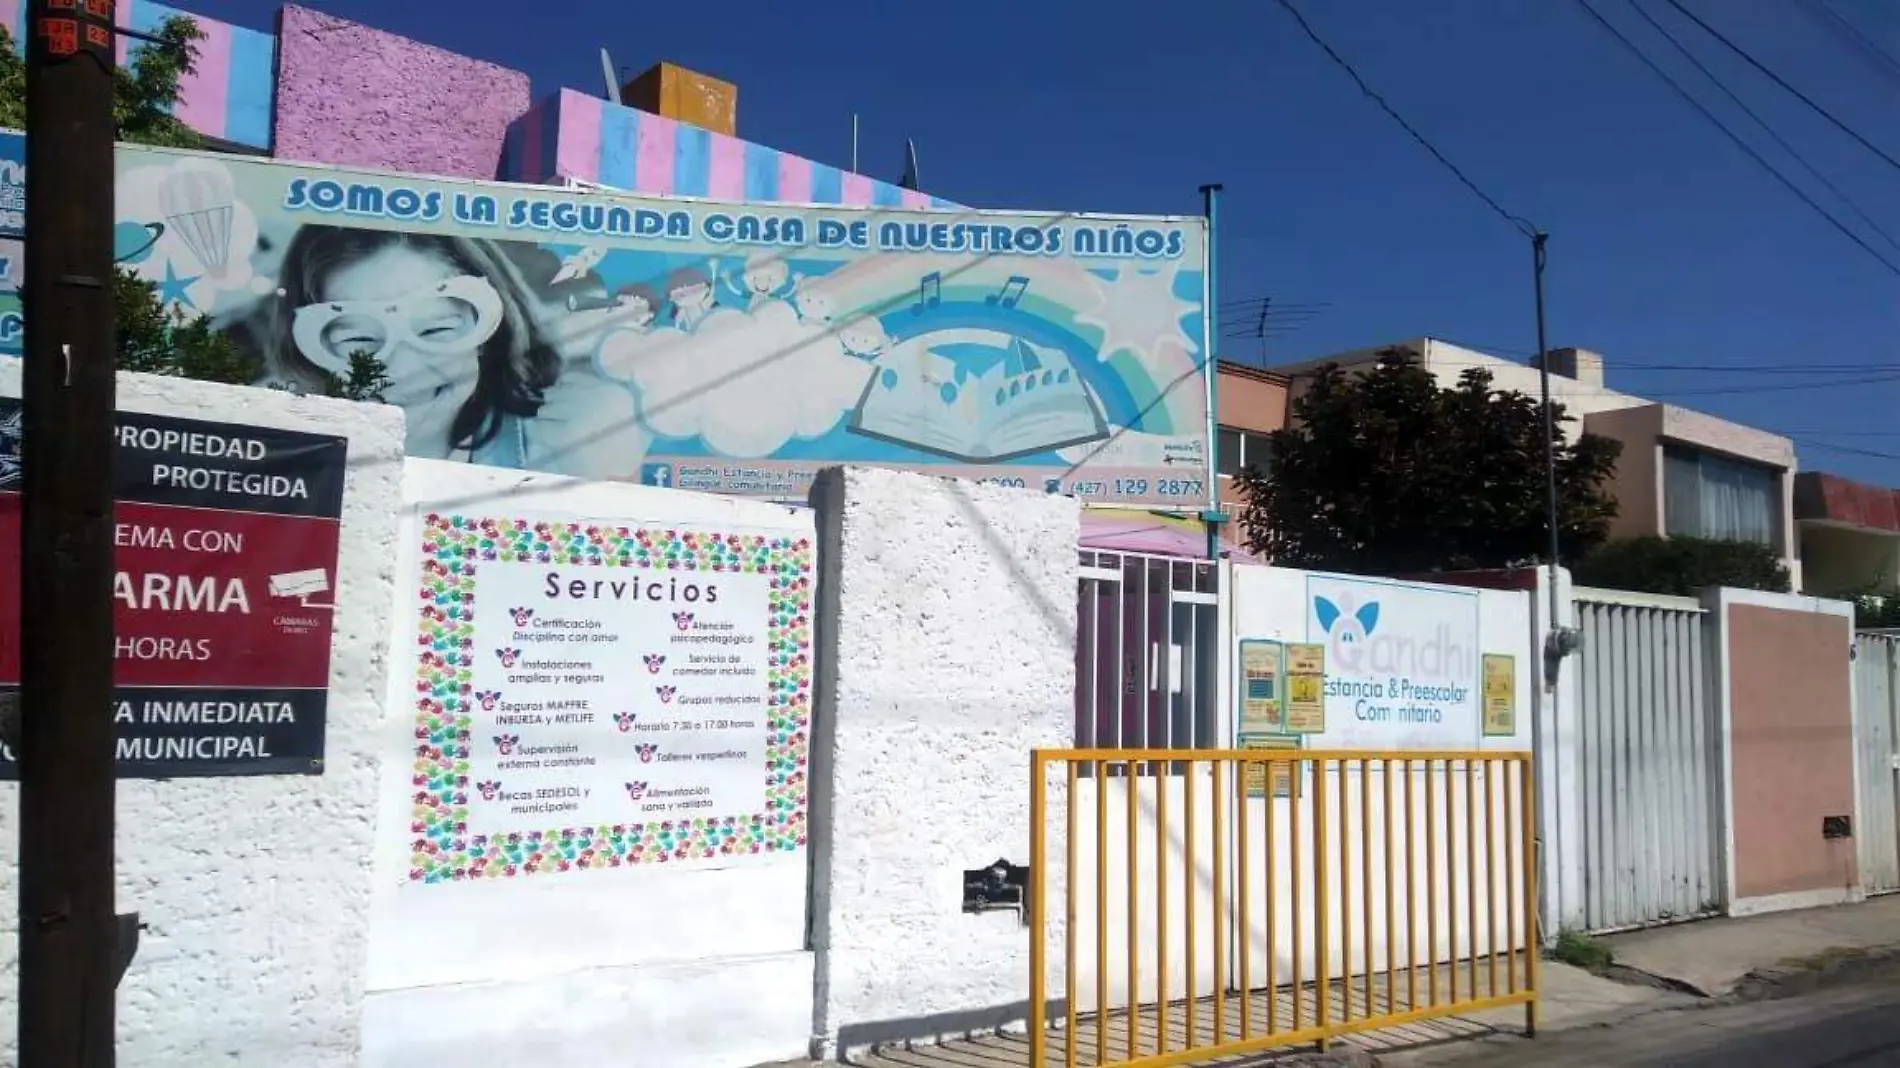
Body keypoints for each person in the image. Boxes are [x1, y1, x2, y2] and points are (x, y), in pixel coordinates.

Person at [263, 226, 642, 475]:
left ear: (489, 334)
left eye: (436, 329)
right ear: (311, 353)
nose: (401, 368)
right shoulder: (283, 463)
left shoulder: (566, 452)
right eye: (359, 340)